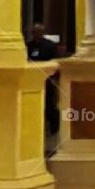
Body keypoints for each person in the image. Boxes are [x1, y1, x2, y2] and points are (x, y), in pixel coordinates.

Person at [27, 23, 60, 152]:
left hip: (47, 78)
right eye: (34, 32)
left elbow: (55, 61)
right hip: (32, 79)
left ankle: (54, 128)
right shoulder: (28, 46)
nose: (35, 34)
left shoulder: (49, 46)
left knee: (49, 105)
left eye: (38, 32)